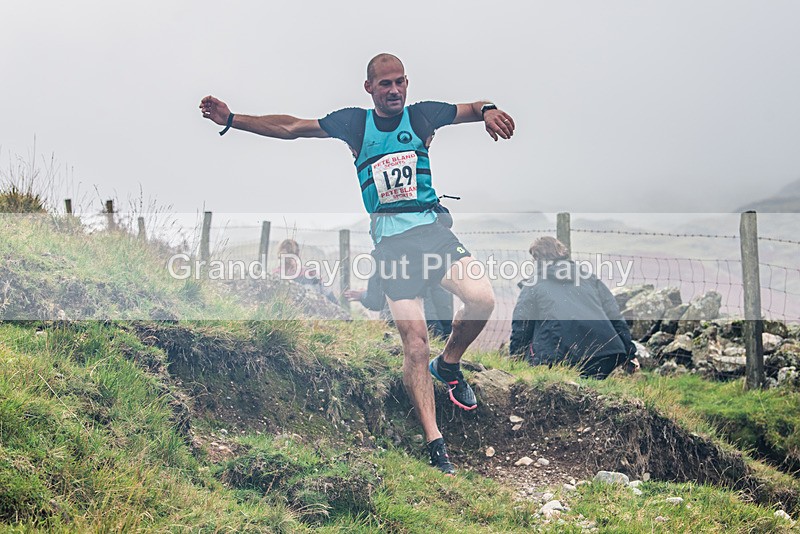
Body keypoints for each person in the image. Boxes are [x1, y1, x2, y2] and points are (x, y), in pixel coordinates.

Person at [200, 53, 515, 475]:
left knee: (482, 299)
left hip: (433, 234)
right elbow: (292, 128)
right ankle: (435, 442)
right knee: (416, 343)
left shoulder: (422, 117)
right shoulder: (355, 124)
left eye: (400, 82)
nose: (394, 90)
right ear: (369, 87)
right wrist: (232, 118)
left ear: (407, 83)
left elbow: (473, 109)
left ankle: (451, 363)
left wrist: (490, 110)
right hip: (393, 249)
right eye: (384, 84)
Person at [509, 237, 639, 379]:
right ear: (561, 253)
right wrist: (630, 354)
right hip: (603, 353)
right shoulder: (590, 279)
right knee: (589, 390)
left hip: (555, 358)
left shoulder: (533, 284)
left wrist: (515, 360)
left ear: (537, 258)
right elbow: (615, 316)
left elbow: (522, 325)